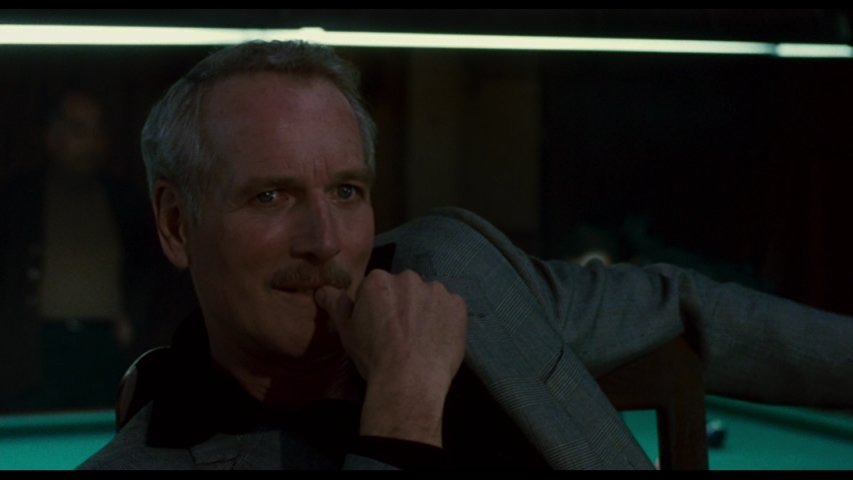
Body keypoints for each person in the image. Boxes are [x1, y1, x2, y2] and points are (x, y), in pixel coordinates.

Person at [79, 40, 853, 470]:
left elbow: (684, 307)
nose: (325, 242)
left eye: (346, 191)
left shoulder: (454, 272)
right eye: (270, 197)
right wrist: (404, 406)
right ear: (176, 226)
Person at [0, 90, 158, 411]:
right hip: (38, 348)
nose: (92, 141)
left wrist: (132, 317)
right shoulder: (17, 199)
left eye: (98, 130)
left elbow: (150, 269)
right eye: (79, 129)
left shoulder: (124, 201)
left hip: (106, 344)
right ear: (51, 137)